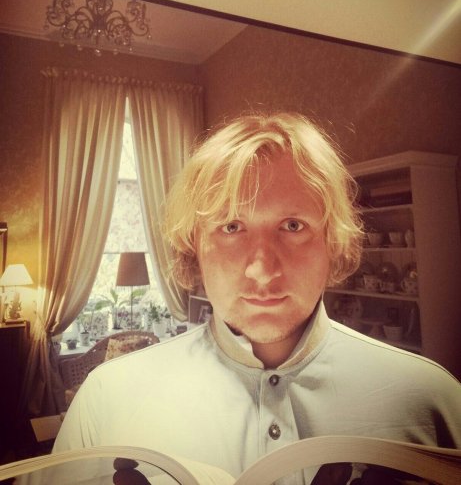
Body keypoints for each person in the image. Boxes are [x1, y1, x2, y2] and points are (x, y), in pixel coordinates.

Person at [53, 112, 461, 483]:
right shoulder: (107, 401)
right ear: (194, 246)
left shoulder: (431, 401)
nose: (262, 271)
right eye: (231, 227)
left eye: (292, 225)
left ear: (332, 241)